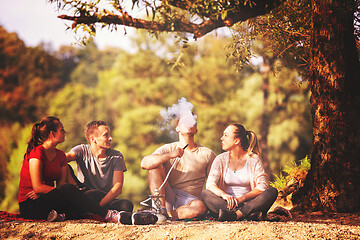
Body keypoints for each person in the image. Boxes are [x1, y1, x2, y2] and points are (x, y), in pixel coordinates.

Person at [18, 116, 157, 225]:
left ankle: (76, 213)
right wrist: (44, 191)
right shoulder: (37, 153)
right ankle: (110, 215)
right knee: (70, 190)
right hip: (32, 203)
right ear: (52, 134)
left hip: (67, 199)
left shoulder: (60, 155)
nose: (65, 132)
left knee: (125, 204)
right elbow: (38, 187)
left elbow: (61, 187)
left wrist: (71, 194)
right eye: (62, 130)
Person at [141, 116, 216, 219]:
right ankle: (160, 209)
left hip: (191, 201)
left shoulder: (207, 153)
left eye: (192, 121)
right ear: (177, 128)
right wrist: (170, 155)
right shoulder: (169, 149)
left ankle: (165, 216)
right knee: (154, 167)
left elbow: (214, 183)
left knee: (200, 208)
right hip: (167, 196)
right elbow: (145, 163)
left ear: (196, 130)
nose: (189, 123)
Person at [200, 123, 278, 221]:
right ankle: (246, 215)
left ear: (236, 141)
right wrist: (224, 195)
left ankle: (235, 215)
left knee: (272, 192)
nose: (221, 138)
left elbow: (262, 186)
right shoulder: (220, 159)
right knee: (204, 194)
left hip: (249, 204)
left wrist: (242, 198)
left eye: (226, 135)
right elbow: (210, 184)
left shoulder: (253, 159)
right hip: (227, 205)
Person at [66, 120, 133, 213]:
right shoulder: (81, 150)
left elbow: (117, 188)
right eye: (106, 135)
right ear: (93, 139)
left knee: (126, 205)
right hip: (85, 195)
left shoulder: (117, 156)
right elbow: (62, 159)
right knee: (66, 166)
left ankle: (90, 212)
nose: (110, 138)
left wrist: (98, 207)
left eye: (110, 135)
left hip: (104, 199)